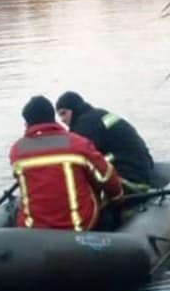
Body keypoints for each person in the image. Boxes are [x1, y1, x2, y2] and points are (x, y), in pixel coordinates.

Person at [9, 95, 124, 231]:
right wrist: (117, 198)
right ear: (52, 118)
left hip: (33, 230)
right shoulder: (78, 144)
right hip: (78, 227)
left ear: (27, 123)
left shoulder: (17, 151)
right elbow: (106, 177)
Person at [54, 91, 154, 191]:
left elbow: (74, 155)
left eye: (64, 113)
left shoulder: (83, 126)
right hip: (146, 167)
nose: (62, 120)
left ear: (74, 108)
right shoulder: (99, 114)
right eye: (60, 116)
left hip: (129, 179)